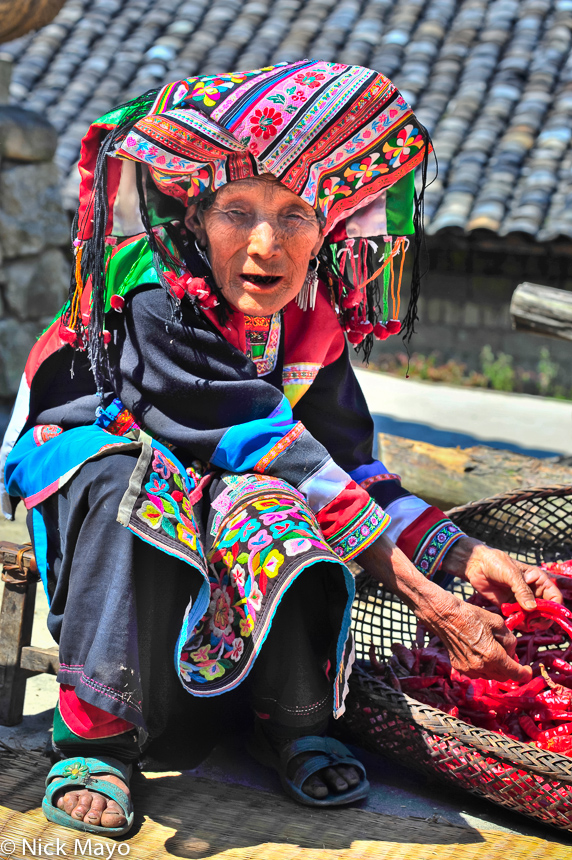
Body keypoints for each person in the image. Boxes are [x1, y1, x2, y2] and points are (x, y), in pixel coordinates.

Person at [0, 60, 561, 836]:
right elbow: (271, 443)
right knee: (131, 484)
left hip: (231, 461)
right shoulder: (155, 293)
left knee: (270, 501)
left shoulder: (311, 319)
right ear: (195, 219)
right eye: (237, 211)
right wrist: (430, 601)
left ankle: (291, 720)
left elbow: (353, 467)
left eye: (296, 215)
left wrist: (462, 554)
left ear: (327, 228)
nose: (267, 244)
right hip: (95, 444)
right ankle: (99, 737)